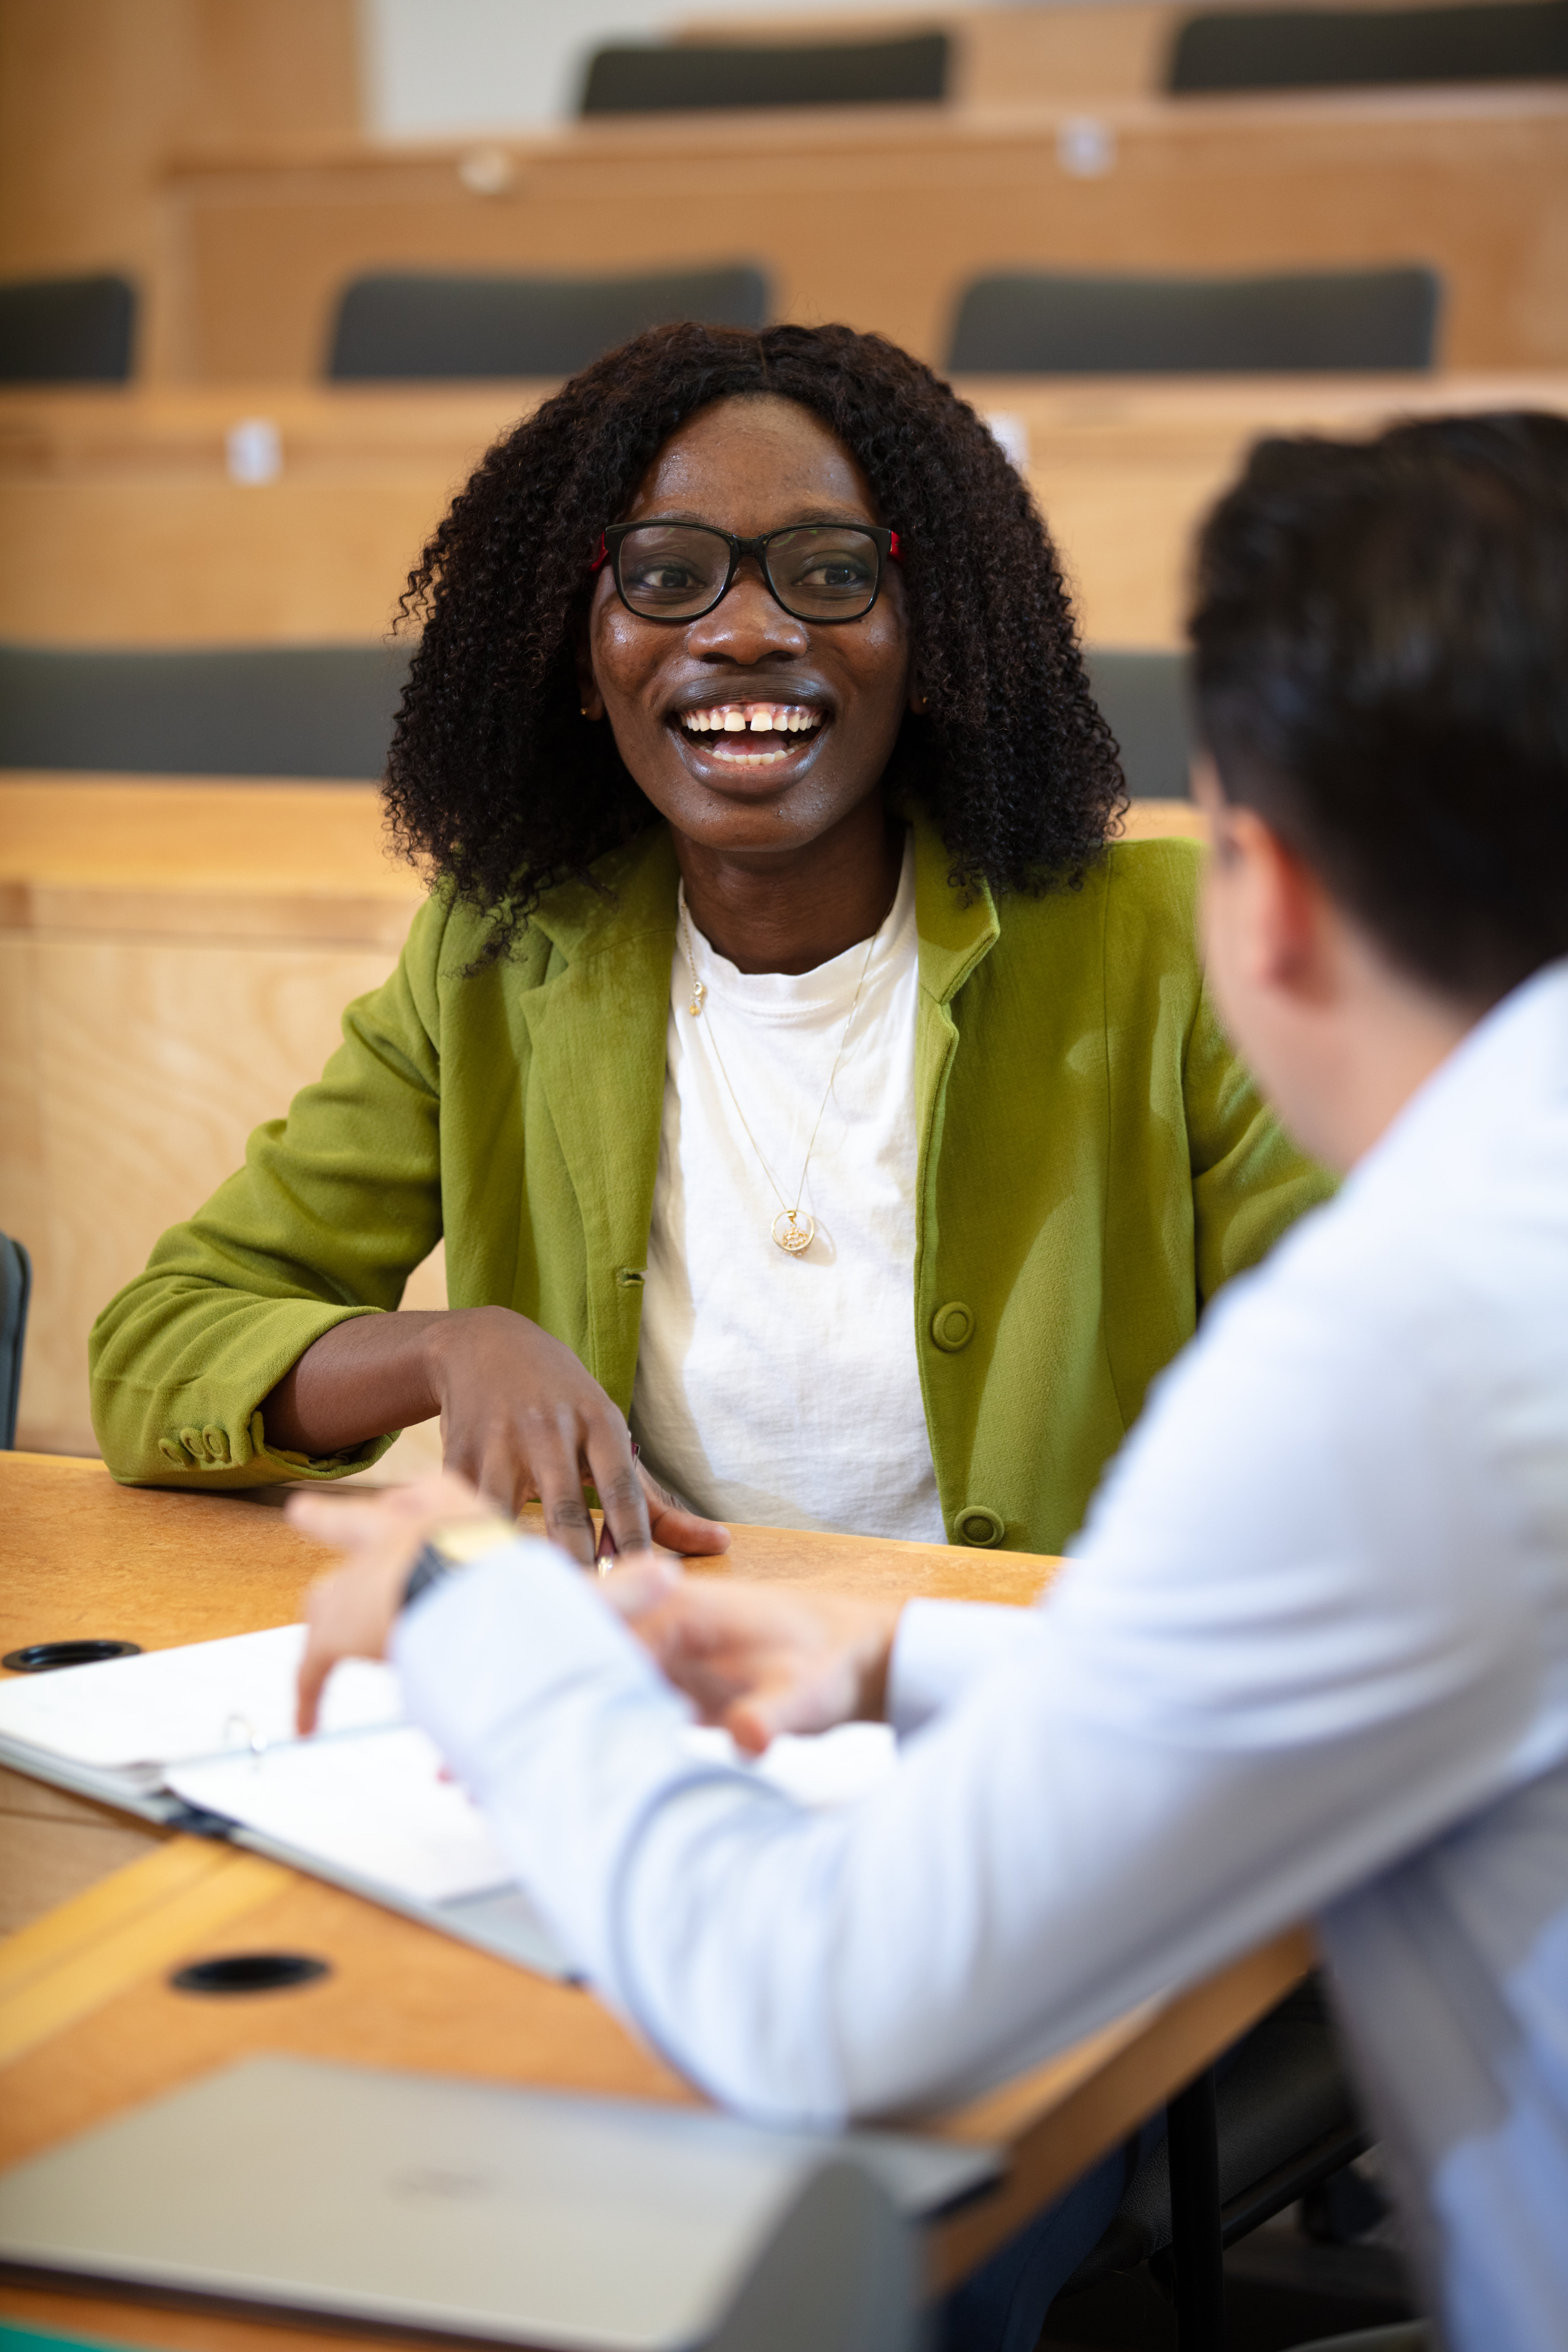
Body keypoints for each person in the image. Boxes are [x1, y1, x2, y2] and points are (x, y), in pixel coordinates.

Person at [289, 413, 1568, 2352]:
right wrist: (907, 1660)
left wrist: (477, 1617)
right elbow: (1396, 1632)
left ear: (1273, 902)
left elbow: (824, 2015)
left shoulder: (1401, 1347)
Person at [88, 321, 1324, 1565]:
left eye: (830, 575)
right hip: (654, 1692)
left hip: (1036, 1707)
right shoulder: (498, 961)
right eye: (667, 576)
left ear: (931, 637)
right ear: (583, 654)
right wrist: (445, 1345)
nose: (742, 632)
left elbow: (1371, 1392)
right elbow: (157, 1349)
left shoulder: (1170, 949)